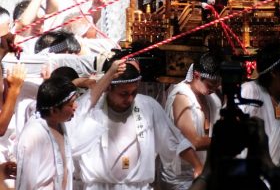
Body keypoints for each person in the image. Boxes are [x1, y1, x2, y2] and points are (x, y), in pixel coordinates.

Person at [76, 60, 202, 190]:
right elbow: (74, 127)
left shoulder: (148, 106)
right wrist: (107, 77)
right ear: (108, 88)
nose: (130, 99)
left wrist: (198, 166)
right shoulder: (91, 110)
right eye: (124, 94)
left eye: (134, 93)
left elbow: (174, 140)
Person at [160, 52, 223, 190]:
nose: (213, 89)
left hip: (205, 170)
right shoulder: (181, 97)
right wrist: (226, 140)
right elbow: (194, 141)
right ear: (196, 75)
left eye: (217, 85)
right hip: (181, 177)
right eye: (210, 85)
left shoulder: (211, 97)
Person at [15, 77, 78, 190]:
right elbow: (25, 184)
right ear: (54, 110)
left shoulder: (61, 124)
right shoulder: (33, 135)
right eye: (71, 104)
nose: (76, 107)